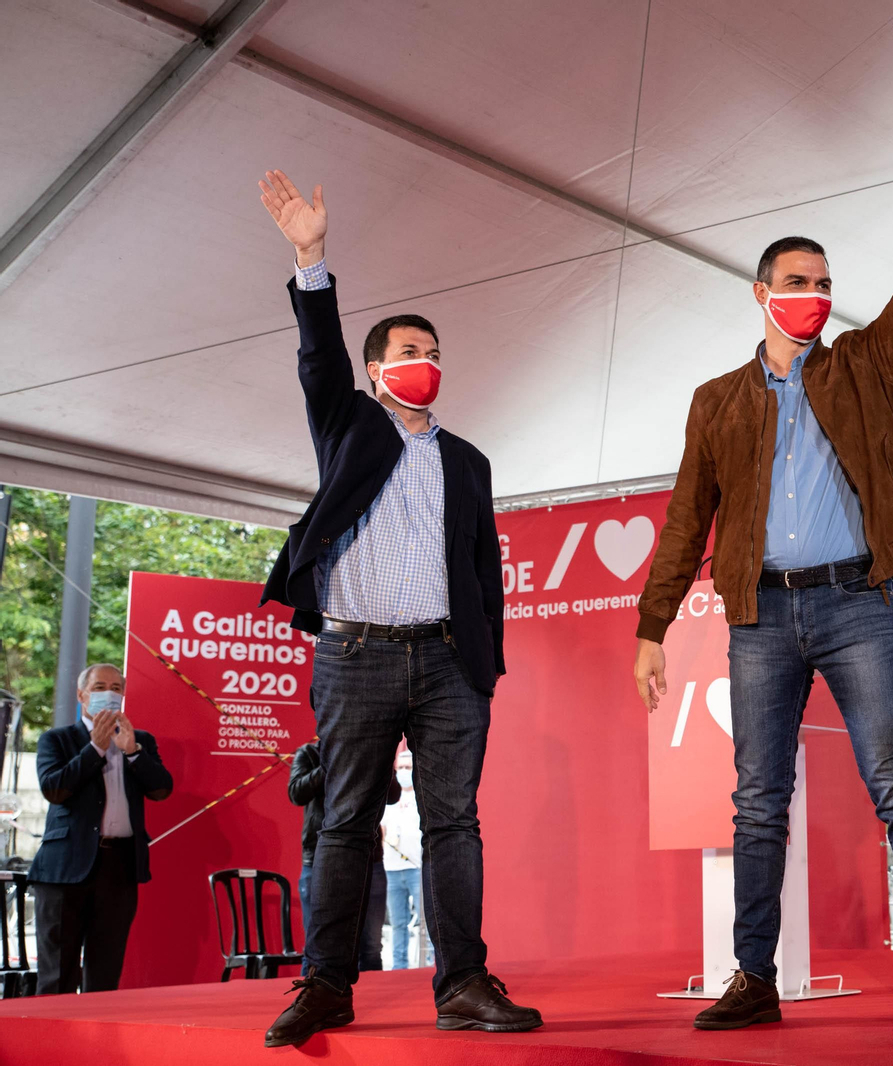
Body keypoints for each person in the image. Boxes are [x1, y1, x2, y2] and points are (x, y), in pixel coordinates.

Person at [632, 77, 893, 1045]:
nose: (811, 294)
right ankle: (753, 977)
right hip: (758, 617)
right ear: (760, 294)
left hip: (855, 604)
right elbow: (684, 517)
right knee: (757, 801)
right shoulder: (717, 400)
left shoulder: (865, 364)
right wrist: (650, 624)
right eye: (794, 281)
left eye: (821, 281)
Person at [256, 170, 538, 1046]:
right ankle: (326, 986)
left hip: (450, 663)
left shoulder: (471, 461)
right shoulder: (350, 425)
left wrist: (483, 666)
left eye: (434, 349)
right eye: (408, 351)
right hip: (357, 656)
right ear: (379, 371)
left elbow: (485, 570)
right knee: (344, 822)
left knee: (455, 820)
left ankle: (463, 985)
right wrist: (311, 257)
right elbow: (317, 357)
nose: (426, 361)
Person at [29, 663, 173, 994]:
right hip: (64, 869)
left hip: (120, 866)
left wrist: (133, 751)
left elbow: (162, 790)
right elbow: (55, 790)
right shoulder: (57, 739)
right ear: (81, 695)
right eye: (99, 688)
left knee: (105, 972)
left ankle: (100, 1042)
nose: (109, 693)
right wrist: (94, 747)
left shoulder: (141, 741)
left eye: (117, 687)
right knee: (57, 974)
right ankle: (52, 1041)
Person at [288, 740, 400, 974]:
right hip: (319, 858)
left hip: (369, 857)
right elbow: (297, 793)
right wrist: (332, 762)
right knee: (316, 946)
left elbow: (393, 795)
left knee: (370, 946)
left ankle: (377, 1005)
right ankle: (311, 1001)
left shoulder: (371, 749)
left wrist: (379, 757)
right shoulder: (309, 753)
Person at [381, 746, 430, 970]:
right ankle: (399, 967)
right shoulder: (387, 798)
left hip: (416, 867)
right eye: (400, 767)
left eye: (407, 767)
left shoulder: (422, 796)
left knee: (425, 921)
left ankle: (430, 962)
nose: (403, 771)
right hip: (391, 868)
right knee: (398, 923)